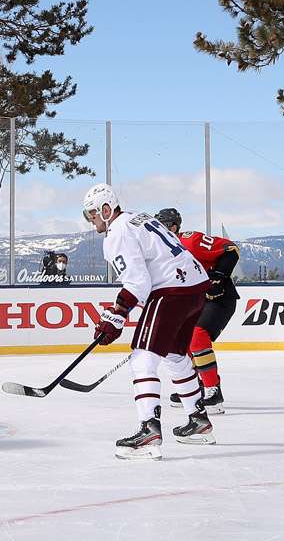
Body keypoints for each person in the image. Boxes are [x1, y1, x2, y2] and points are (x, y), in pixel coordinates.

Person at [82, 184, 215, 460]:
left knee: (142, 358)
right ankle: (198, 422)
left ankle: (149, 431)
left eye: (92, 213)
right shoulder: (138, 217)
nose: (90, 219)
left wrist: (116, 314)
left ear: (107, 210)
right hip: (195, 288)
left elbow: (138, 282)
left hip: (171, 291)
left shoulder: (117, 231)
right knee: (176, 356)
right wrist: (118, 314)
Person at [155, 207, 239, 415]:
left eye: (163, 226)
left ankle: (213, 391)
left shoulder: (190, 241)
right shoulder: (159, 254)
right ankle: (198, 386)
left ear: (173, 227)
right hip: (196, 301)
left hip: (219, 299)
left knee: (197, 336)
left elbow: (231, 250)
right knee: (182, 342)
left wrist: (218, 278)